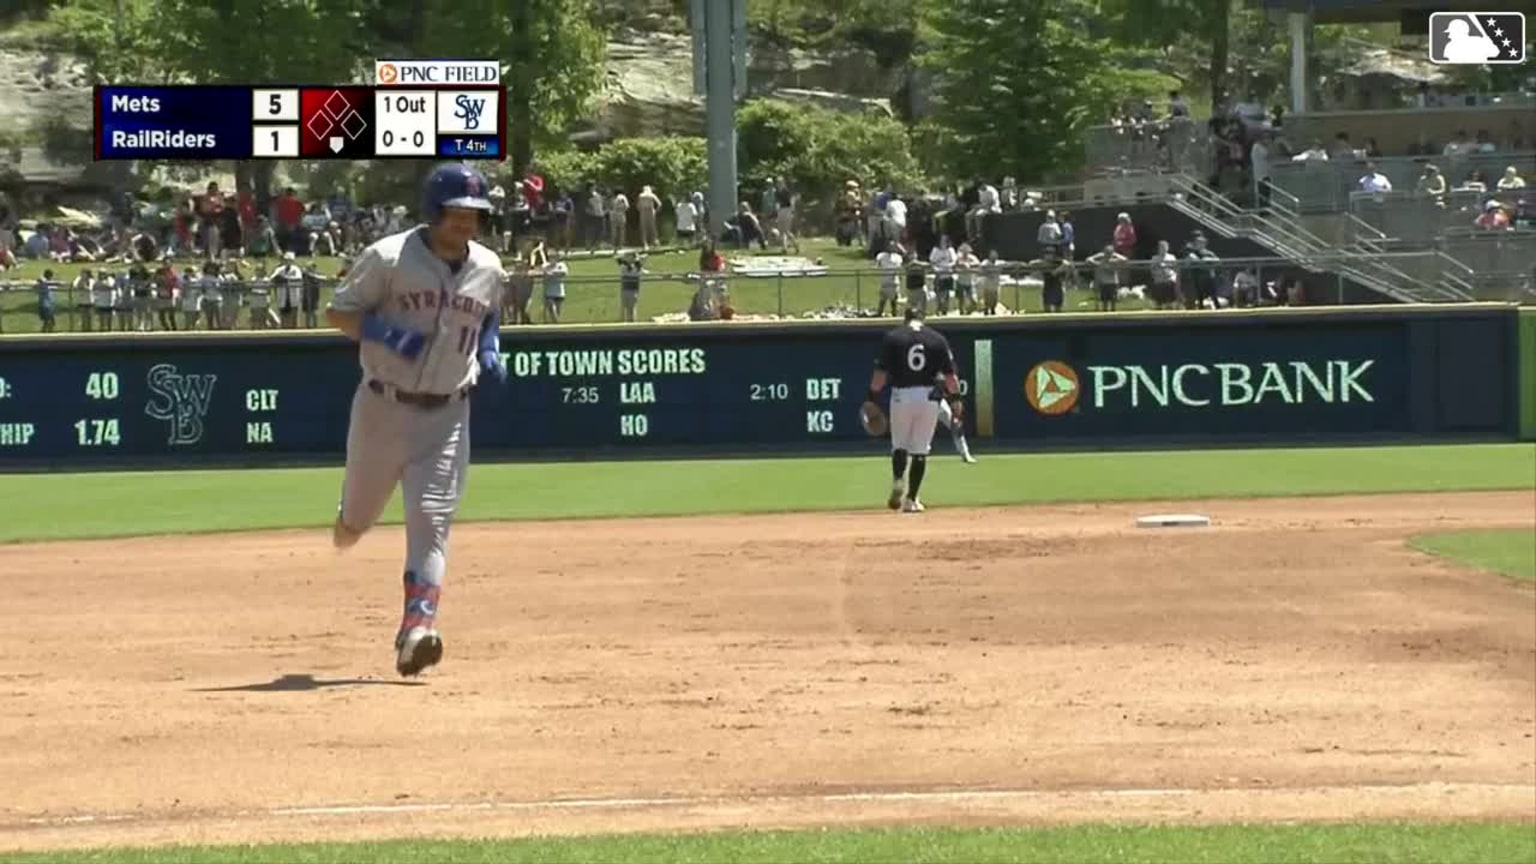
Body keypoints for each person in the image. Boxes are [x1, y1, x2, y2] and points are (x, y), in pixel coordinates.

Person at [325, 162, 507, 678]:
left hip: (448, 412)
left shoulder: (489, 267)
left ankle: (416, 630)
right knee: (357, 521)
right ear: (434, 209)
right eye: (458, 210)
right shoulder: (388, 258)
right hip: (383, 407)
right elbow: (340, 312)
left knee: (431, 518)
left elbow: (490, 312)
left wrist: (490, 348)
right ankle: (350, 515)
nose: (468, 221)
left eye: (476, 212)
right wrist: (385, 335)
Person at [864, 307, 965, 513]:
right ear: (922, 319)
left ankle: (898, 479)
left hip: (901, 394)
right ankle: (912, 499)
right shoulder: (937, 339)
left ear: (905, 319)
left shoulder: (893, 338)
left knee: (899, 444)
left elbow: (880, 375)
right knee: (920, 449)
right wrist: (955, 399)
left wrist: (872, 398)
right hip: (929, 396)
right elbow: (950, 377)